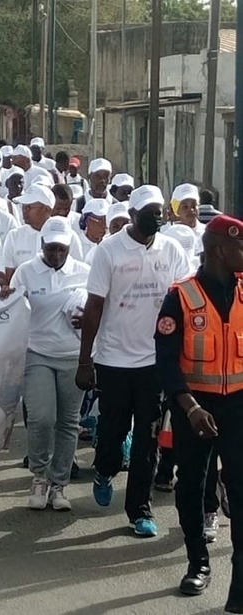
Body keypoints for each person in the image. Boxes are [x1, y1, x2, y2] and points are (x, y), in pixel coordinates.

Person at [76, 184, 191, 537]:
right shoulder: (110, 250)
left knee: (148, 438)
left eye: (160, 211)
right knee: (113, 432)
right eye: (151, 212)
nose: (158, 217)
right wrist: (85, 361)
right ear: (134, 215)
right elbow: (94, 307)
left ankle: (139, 509)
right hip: (113, 360)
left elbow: (185, 300)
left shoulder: (171, 249)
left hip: (154, 363)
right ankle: (104, 469)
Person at [153, 215, 243, 608]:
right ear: (221, 250)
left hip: (239, 407)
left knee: (241, 490)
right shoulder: (181, 297)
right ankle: (198, 563)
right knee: (190, 487)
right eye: (241, 247)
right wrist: (188, 407)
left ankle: (240, 579)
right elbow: (165, 361)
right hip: (195, 409)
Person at [6, 216, 90, 510]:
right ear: (41, 245)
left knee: (68, 422)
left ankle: (59, 486)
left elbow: (98, 311)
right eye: (51, 249)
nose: (55, 255)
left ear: (69, 247)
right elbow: (12, 309)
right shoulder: (27, 272)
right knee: (42, 417)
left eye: (62, 250)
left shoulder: (84, 273)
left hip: (73, 356)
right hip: (37, 353)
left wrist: (87, 320)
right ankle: (39, 476)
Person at [3, 184, 83, 284]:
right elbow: (10, 279)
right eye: (23, 206)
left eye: (29, 207)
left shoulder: (69, 237)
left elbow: (77, 274)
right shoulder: (14, 236)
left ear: (46, 209)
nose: (24, 210)